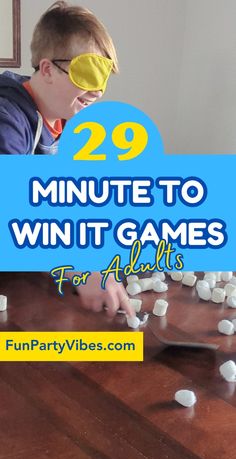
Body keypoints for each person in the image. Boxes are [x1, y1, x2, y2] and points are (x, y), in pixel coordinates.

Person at [0, 1, 135, 318]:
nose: (97, 92)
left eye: (103, 79)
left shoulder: (65, 120)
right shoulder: (8, 120)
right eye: (87, 74)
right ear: (47, 69)